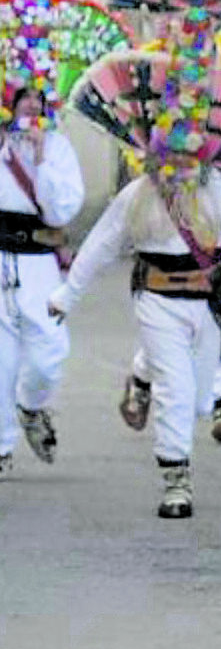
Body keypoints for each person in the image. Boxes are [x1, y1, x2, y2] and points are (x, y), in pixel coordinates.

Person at [51, 159, 221, 518]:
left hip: (207, 303)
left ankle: (142, 371)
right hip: (156, 299)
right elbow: (100, 245)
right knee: (176, 389)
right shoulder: (136, 196)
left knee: (199, 400)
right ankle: (175, 477)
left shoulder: (220, 192)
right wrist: (67, 295)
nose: (179, 161)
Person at [0, 87, 84, 476]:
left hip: (39, 262)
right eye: (24, 97)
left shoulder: (58, 146)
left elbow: (62, 209)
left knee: (50, 352)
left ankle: (30, 406)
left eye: (39, 97)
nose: (32, 105)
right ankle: (2, 447)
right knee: (2, 360)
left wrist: (40, 161)